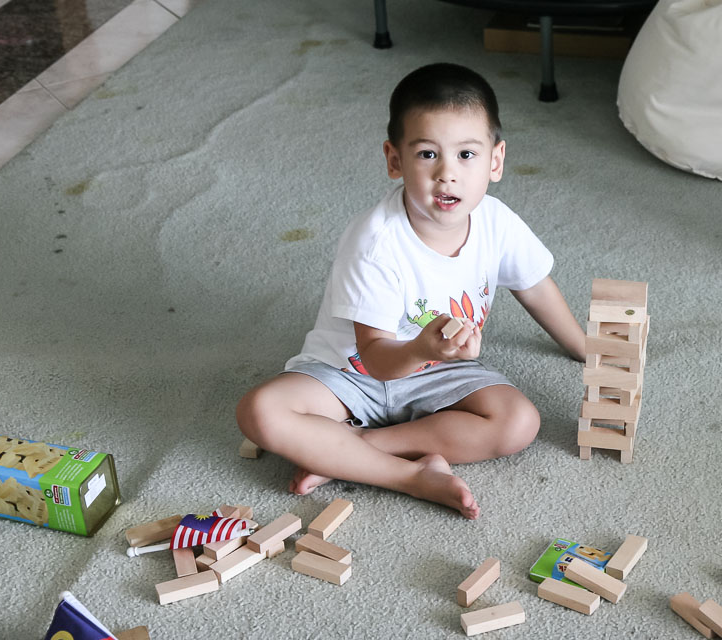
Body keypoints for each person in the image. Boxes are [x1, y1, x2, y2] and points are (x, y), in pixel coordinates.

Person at [237, 62, 585, 519]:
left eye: (466, 154)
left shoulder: (497, 222)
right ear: (394, 160)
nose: (447, 174)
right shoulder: (375, 242)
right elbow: (376, 359)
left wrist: (584, 349)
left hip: (436, 372)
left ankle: (354, 448)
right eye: (427, 154)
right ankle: (410, 476)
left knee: (519, 422)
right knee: (260, 412)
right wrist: (423, 348)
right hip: (351, 374)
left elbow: (535, 287)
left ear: (496, 161)